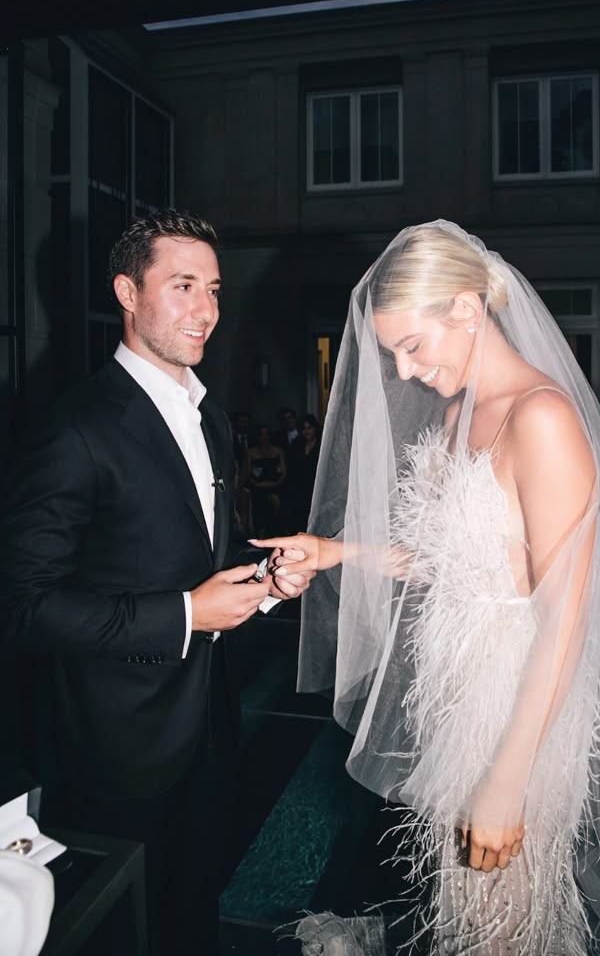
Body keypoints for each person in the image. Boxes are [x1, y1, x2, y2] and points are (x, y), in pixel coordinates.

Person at [254, 221, 600, 955]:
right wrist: (333, 551)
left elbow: (567, 617)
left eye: (411, 346)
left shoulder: (541, 419)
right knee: (469, 916)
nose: (405, 370)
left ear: (466, 307)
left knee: (503, 929)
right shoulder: (459, 411)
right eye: (391, 353)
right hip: (456, 699)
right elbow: (448, 558)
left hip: (520, 713)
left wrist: (506, 779)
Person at [0, 209, 306, 956]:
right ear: (127, 294)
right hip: (110, 749)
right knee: (122, 932)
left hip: (206, 727)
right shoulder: (75, 427)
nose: (206, 309)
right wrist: (184, 613)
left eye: (213, 289)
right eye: (182, 286)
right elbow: (22, 606)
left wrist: (265, 585)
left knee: (191, 915)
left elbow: (194, 569)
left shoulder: (211, 422)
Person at [245, 422, 287, 536]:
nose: (264, 437)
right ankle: (260, 536)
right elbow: (247, 473)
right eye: (261, 434)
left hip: (275, 486)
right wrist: (259, 485)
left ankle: (277, 532)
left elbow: (283, 472)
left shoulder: (278, 451)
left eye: (267, 434)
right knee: (259, 507)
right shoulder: (251, 452)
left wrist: (274, 484)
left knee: (276, 502)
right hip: (257, 487)